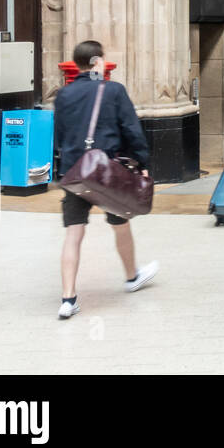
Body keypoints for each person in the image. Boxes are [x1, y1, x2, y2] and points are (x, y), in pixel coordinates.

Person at [53, 40, 158, 320]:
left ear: (77, 65)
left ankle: (68, 298)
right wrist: (143, 163)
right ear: (98, 61)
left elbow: (59, 136)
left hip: (75, 172)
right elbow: (131, 129)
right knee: (120, 224)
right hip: (107, 173)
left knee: (73, 234)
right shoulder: (113, 90)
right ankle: (131, 276)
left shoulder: (64, 95)